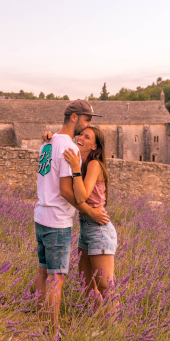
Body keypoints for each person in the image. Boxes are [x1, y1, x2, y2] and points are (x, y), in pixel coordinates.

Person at [34, 100, 109, 336]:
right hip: (57, 220)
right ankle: (52, 334)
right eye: (87, 120)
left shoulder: (47, 143)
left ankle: (41, 326)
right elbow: (67, 191)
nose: (87, 125)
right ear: (75, 117)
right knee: (57, 278)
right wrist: (90, 211)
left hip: (41, 214)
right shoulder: (70, 148)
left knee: (43, 273)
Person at [64, 126, 117, 312]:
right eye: (80, 134)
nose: (81, 138)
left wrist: (75, 169)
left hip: (99, 228)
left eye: (87, 137)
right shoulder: (81, 161)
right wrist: (48, 137)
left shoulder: (93, 164)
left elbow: (82, 197)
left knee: (104, 285)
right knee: (86, 283)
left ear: (94, 146)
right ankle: (100, 323)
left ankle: (116, 330)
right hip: (86, 227)